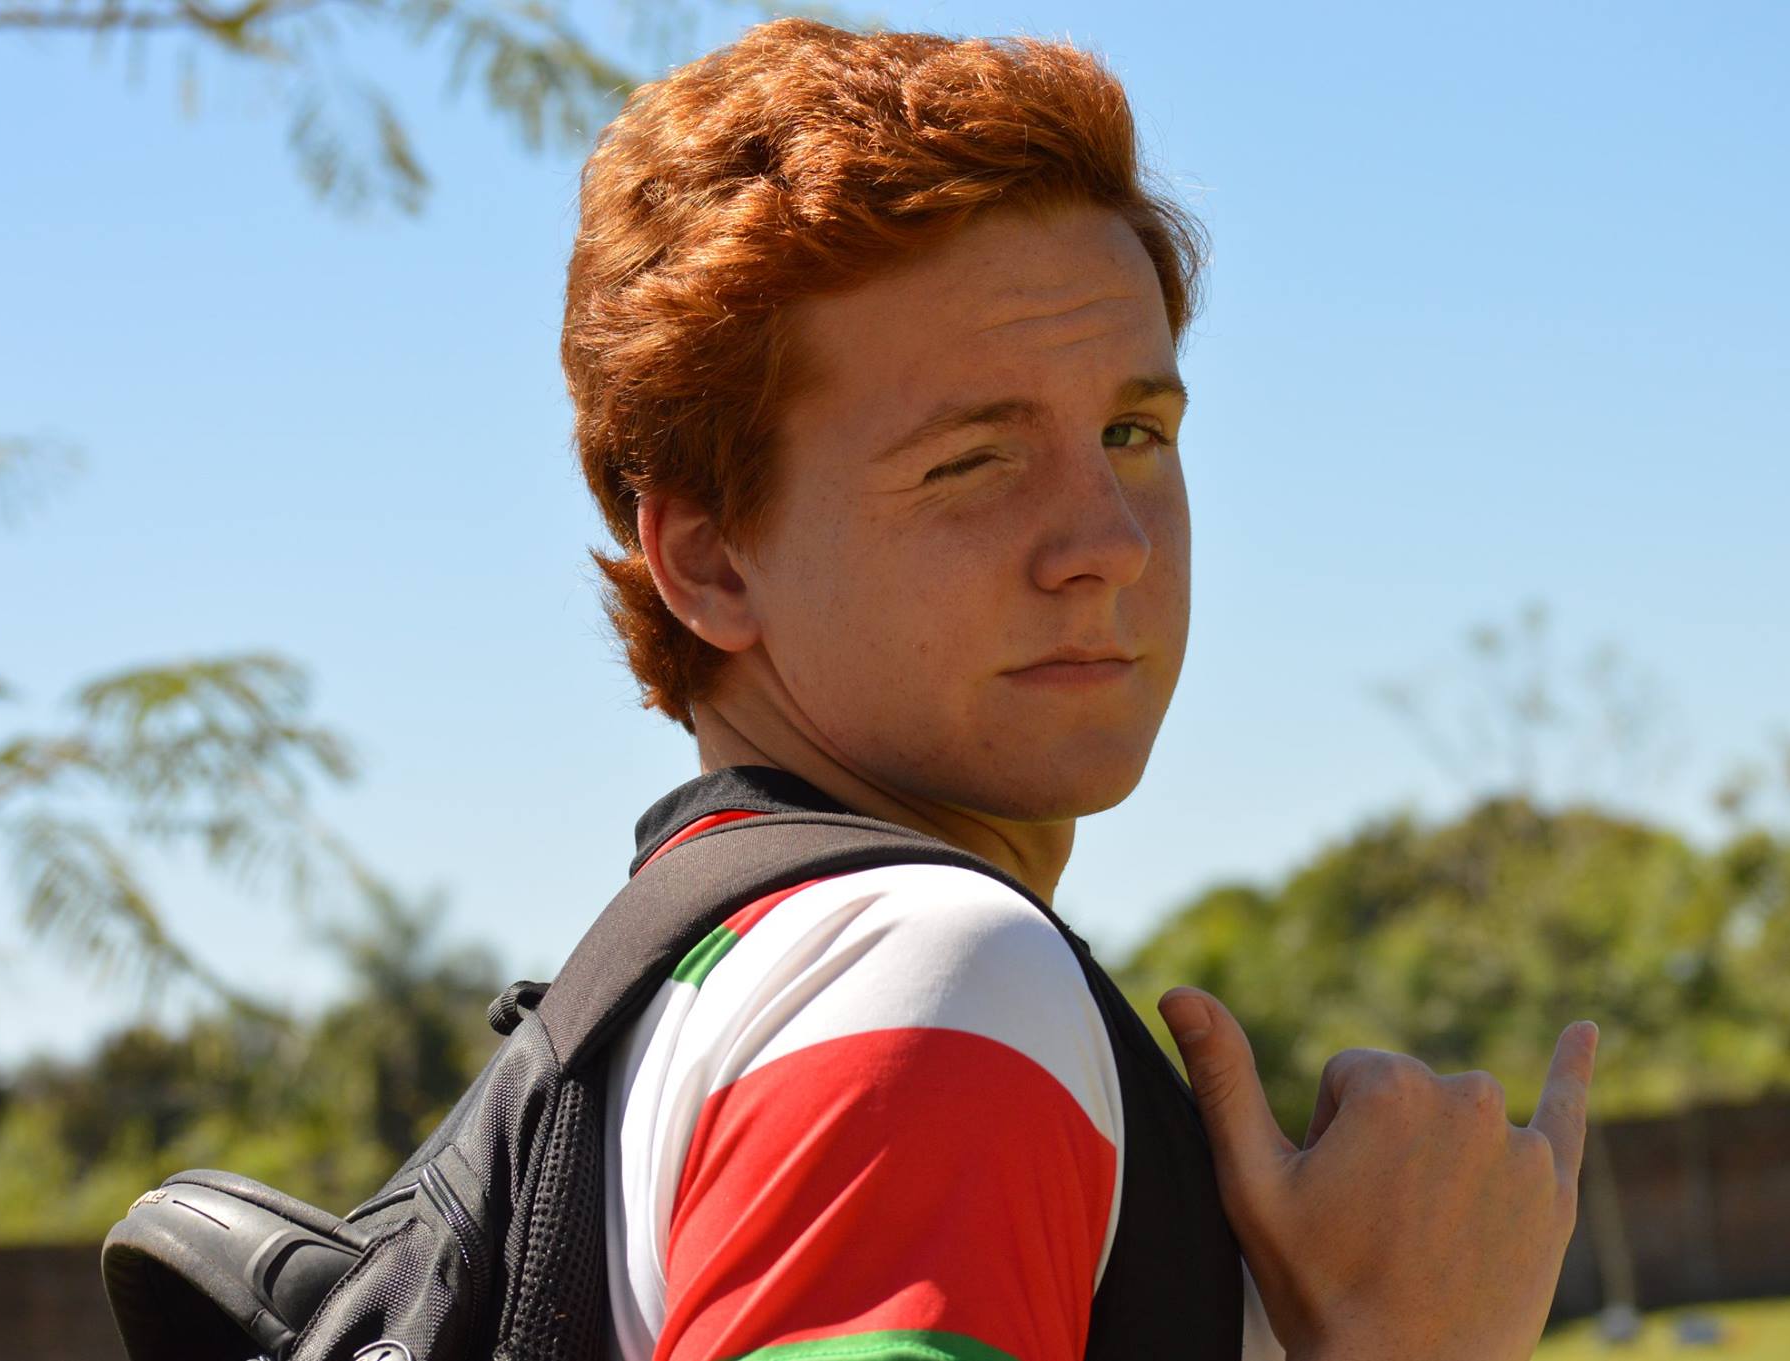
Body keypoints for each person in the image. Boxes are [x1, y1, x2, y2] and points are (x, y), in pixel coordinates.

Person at [559, 18, 1596, 1361]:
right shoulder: (929, 980)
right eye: (972, 460)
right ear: (708, 560)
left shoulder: (690, 986)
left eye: (1132, 431)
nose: (1110, 539)